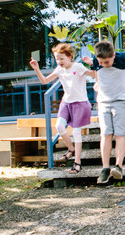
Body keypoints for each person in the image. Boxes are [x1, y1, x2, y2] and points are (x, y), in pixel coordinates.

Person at [29, 43, 96, 174]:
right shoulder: (59, 69)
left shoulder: (78, 67)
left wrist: (94, 64)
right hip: (66, 102)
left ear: (70, 57)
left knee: (77, 133)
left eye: (61, 58)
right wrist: (36, 69)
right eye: (56, 59)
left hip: (80, 103)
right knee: (60, 126)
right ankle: (71, 149)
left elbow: (94, 75)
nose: (59, 61)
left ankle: (77, 163)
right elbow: (44, 81)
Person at [86, 41, 125, 184]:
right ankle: (105, 168)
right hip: (103, 102)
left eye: (107, 61)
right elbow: (97, 71)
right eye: (101, 62)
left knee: (119, 134)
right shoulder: (96, 61)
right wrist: (98, 82)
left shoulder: (121, 58)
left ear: (113, 55)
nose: (104, 64)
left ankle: (118, 166)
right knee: (105, 134)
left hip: (121, 101)